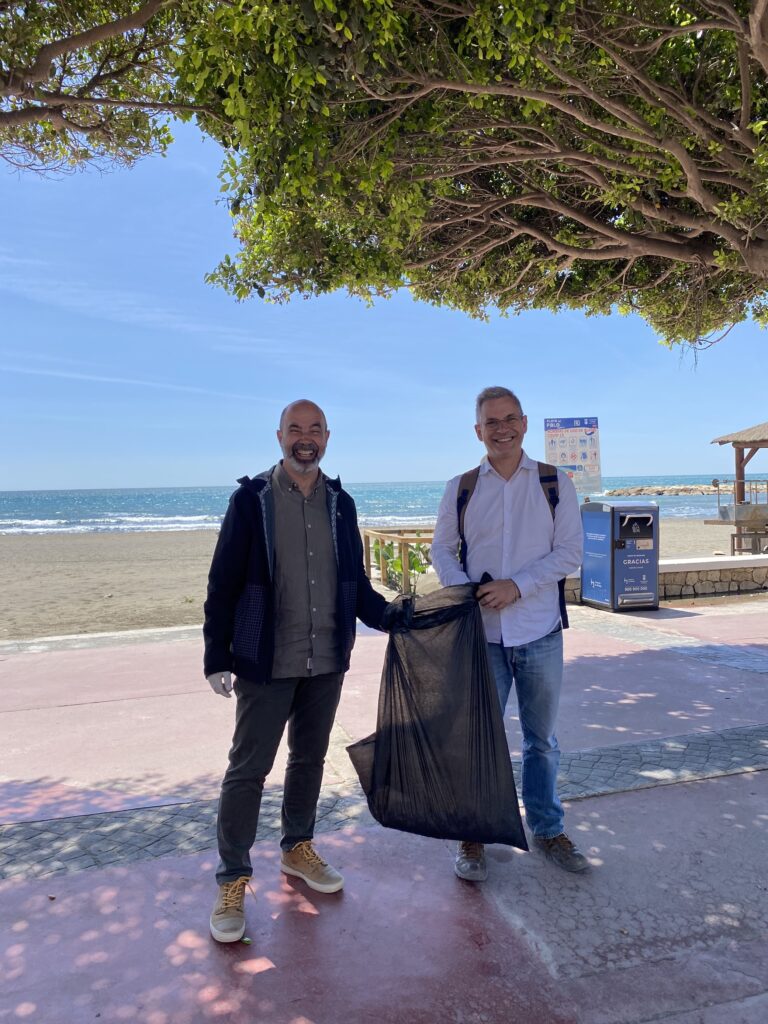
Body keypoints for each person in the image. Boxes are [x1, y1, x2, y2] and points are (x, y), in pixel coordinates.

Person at [204, 399, 399, 943]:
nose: (305, 438)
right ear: (279, 436)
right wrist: (216, 656)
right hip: (266, 661)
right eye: (296, 429)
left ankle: (296, 848)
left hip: (327, 660)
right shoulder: (251, 500)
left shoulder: (341, 504)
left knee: (309, 759)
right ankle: (232, 878)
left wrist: (396, 618)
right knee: (247, 771)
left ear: (328, 437)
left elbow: (355, 587)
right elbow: (222, 583)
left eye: (315, 429)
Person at [430, 386, 588, 880]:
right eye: (491, 422)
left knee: (541, 741)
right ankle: (473, 835)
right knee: (480, 739)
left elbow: (570, 553)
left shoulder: (555, 483)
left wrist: (516, 586)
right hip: (482, 638)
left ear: (524, 422)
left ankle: (547, 829)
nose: (502, 429)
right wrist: (468, 592)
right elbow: (441, 551)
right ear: (478, 431)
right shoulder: (461, 488)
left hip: (539, 632)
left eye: (509, 419)